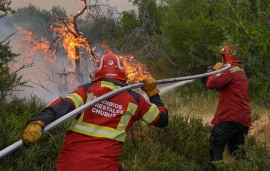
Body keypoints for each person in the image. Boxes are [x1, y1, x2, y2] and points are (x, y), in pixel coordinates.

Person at [21, 52, 169, 171]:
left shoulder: (86, 91)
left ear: (98, 73)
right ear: (122, 75)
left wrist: (39, 121)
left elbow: (63, 106)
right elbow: (162, 120)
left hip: (68, 166)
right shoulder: (135, 100)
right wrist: (153, 93)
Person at [206, 44, 252, 163]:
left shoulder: (229, 70)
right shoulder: (240, 71)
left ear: (227, 56)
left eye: (223, 56)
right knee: (237, 152)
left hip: (230, 118)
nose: (222, 60)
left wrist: (215, 71)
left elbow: (211, 84)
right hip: (242, 119)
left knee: (215, 146)